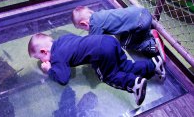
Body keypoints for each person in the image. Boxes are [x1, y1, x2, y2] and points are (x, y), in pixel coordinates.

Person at [28, 33, 166, 106]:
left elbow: (64, 78)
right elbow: (77, 45)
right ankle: (154, 64)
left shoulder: (57, 58)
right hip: (108, 40)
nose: (41, 61)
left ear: (44, 51)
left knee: (108, 76)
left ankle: (134, 83)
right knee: (126, 66)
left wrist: (49, 70)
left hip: (100, 53)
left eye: (39, 58)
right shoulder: (63, 39)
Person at [72, 6, 166, 61]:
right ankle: (147, 34)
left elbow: (93, 45)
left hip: (140, 22)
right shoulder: (99, 15)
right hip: (141, 11)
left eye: (83, 28)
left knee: (125, 45)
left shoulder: (94, 24)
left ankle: (152, 45)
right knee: (125, 35)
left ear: (83, 23)